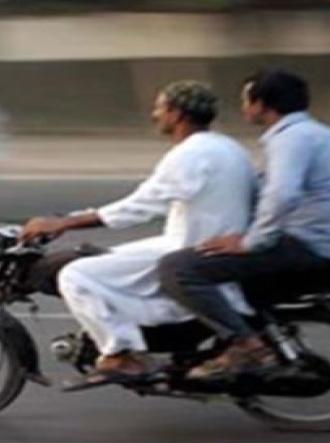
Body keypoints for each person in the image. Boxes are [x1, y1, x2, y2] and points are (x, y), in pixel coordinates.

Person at [20, 80, 257, 387]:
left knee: (75, 275)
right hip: (202, 241)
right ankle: (139, 334)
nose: (155, 115)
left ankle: (120, 354)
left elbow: (140, 207)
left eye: (160, 108)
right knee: (107, 257)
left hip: (190, 248)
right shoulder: (229, 147)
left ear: (178, 114)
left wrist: (65, 223)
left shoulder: (191, 154)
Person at [158, 69, 330, 380]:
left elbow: (282, 195)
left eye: (246, 100)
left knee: (178, 269)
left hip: (312, 246)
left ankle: (246, 346)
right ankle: (258, 341)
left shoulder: (290, 140)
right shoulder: (323, 134)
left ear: (262, 104)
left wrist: (250, 242)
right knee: (236, 275)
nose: (243, 108)